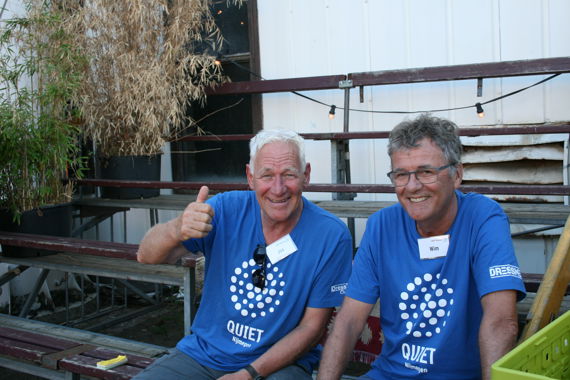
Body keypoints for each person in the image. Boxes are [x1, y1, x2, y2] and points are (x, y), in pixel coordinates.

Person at [318, 114, 526, 380]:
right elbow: (348, 321)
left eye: (426, 171)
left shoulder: (483, 217)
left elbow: (501, 321)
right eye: (401, 174)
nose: (412, 186)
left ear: (457, 174)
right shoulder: (381, 225)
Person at [134, 129, 353, 380]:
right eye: (267, 175)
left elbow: (312, 328)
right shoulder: (226, 209)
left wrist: (248, 374)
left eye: (289, 174)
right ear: (250, 177)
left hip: (278, 365)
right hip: (204, 355)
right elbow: (146, 256)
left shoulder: (330, 235)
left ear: (306, 175)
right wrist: (176, 228)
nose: (278, 188)